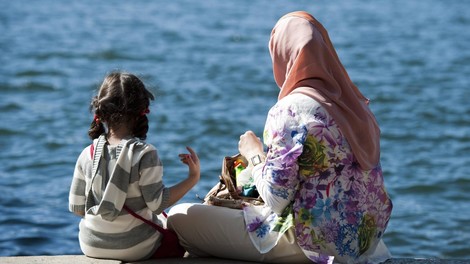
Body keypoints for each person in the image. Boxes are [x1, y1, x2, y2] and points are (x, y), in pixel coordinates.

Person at [167, 11, 393, 264]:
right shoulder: (356, 106)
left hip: (309, 244)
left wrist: (254, 153)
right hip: (362, 241)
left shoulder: (290, 109)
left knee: (179, 216)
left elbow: (276, 199)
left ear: (283, 55)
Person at [68, 72, 200, 262]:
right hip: (136, 248)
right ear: (142, 111)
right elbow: (157, 204)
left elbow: (77, 208)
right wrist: (192, 178)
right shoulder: (145, 154)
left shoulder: (86, 154)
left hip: (91, 245)